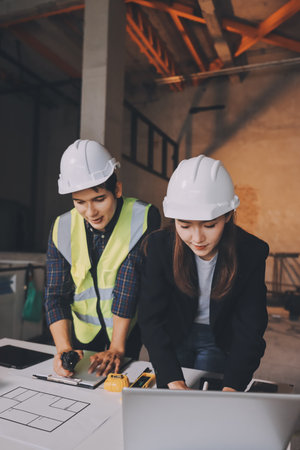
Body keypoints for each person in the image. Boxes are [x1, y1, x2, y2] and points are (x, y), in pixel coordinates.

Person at [138, 155, 269, 391]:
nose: (197, 239)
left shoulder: (252, 252)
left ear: (228, 215)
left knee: (210, 402)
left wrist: (232, 388)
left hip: (219, 337)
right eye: (184, 225)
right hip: (174, 333)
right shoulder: (159, 247)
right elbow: (150, 319)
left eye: (209, 225)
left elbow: (251, 328)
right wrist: (171, 378)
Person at [45, 139, 160, 378]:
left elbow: (128, 284)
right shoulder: (62, 227)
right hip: (81, 331)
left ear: (117, 190)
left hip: (125, 331)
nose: (91, 212)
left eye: (99, 199)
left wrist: (117, 347)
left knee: (117, 388)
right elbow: (56, 294)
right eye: (80, 202)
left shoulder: (142, 217)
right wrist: (63, 348)